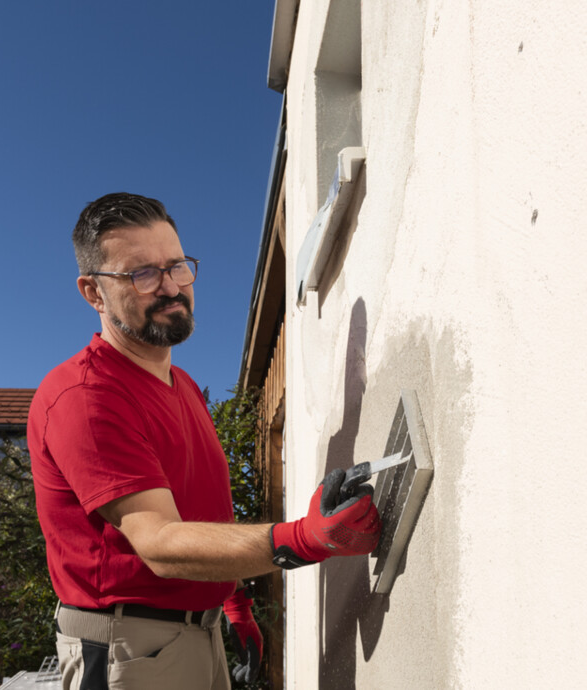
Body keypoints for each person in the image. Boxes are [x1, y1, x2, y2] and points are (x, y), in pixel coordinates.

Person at [27, 192, 382, 690]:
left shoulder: (185, 386)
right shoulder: (84, 396)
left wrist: (234, 605)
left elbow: (201, 512)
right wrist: (304, 538)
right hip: (128, 650)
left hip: (198, 633)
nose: (170, 287)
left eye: (176, 266)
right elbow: (159, 542)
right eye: (142, 274)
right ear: (93, 292)